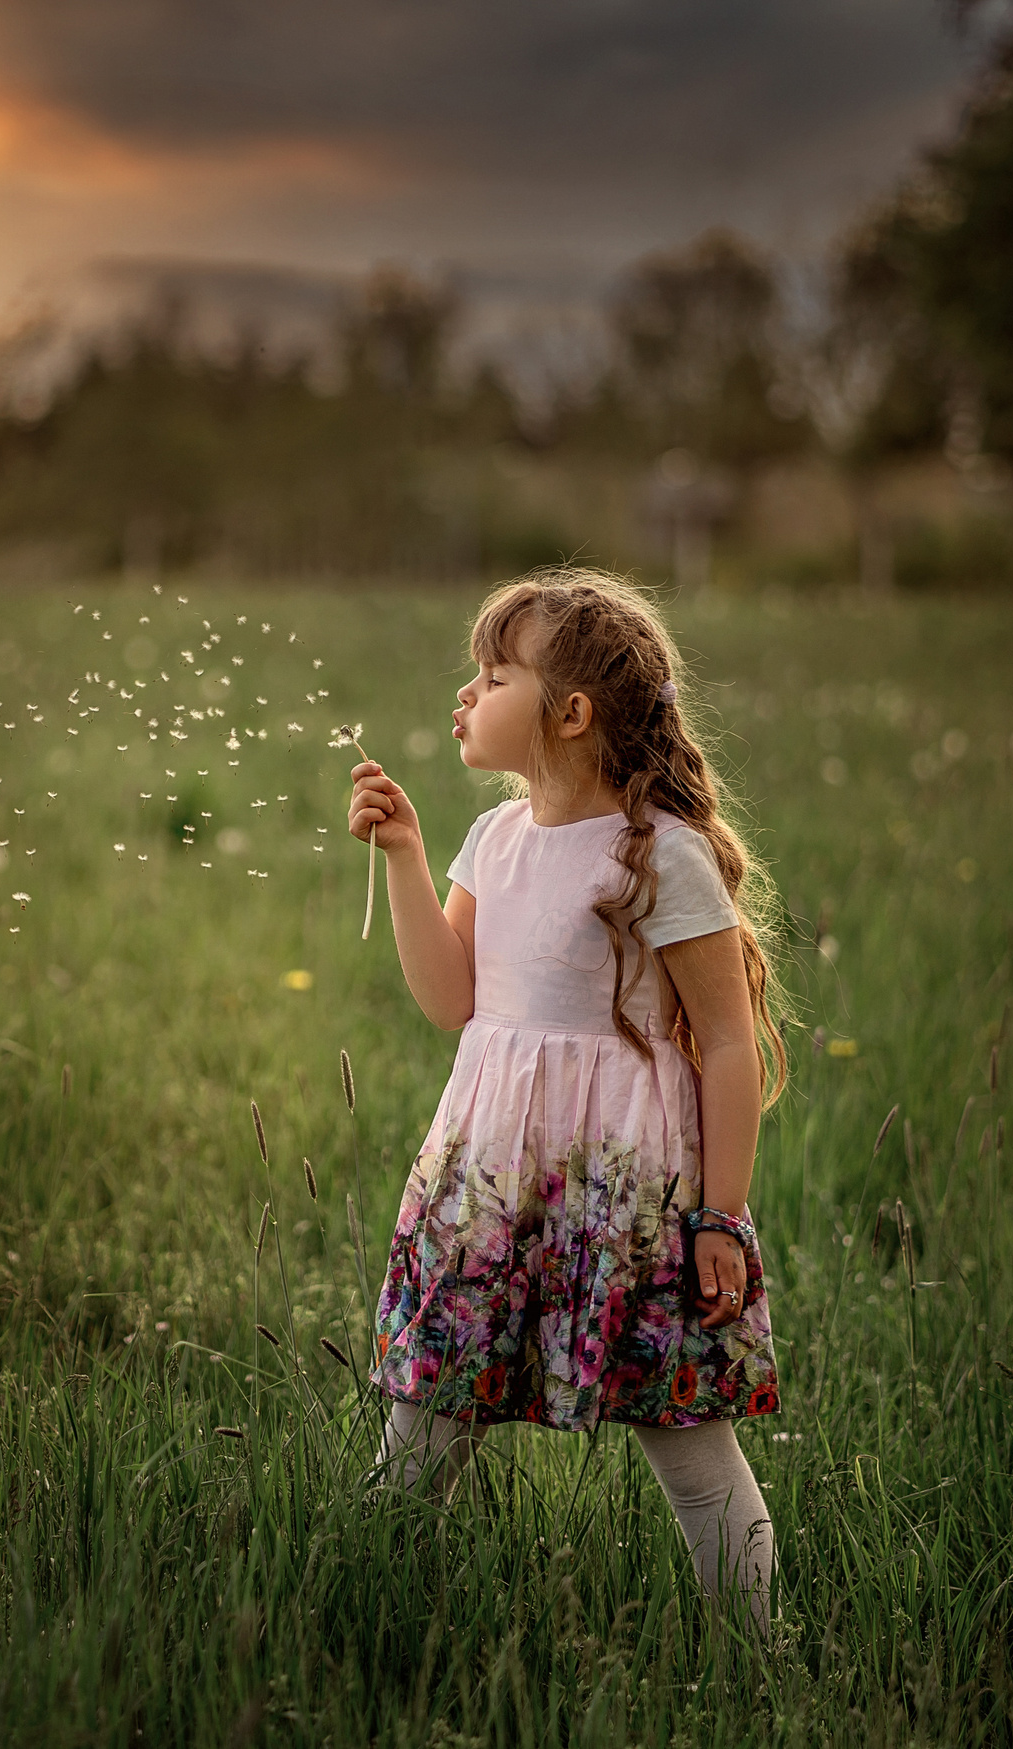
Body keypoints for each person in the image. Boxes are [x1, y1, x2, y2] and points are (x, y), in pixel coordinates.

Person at [345, 566, 788, 1636]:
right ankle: (364, 1622)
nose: (466, 694)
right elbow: (451, 999)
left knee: (687, 1445)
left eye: (493, 675)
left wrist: (719, 1218)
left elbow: (726, 1044)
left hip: (631, 1201)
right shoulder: (492, 842)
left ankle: (762, 1659)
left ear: (571, 713)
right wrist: (404, 856)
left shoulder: (659, 856)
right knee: (422, 1425)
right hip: (488, 1184)